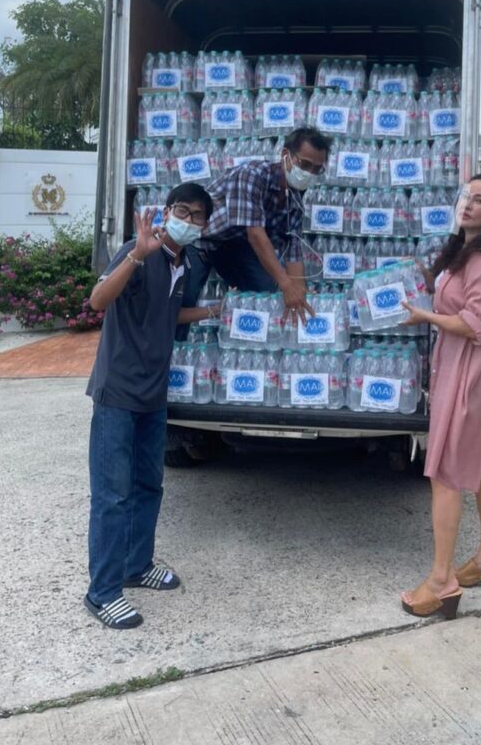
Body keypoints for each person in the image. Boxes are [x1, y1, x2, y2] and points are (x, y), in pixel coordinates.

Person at [84, 182, 216, 629]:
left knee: (148, 486)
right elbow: (98, 300)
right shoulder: (138, 251)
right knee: (112, 495)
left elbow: (167, 312)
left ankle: (136, 566)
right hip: (118, 393)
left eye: (198, 216)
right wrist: (137, 255)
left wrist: (212, 312)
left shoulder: (186, 264)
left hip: (153, 395)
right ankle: (102, 592)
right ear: (167, 211)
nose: (190, 220)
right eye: (184, 211)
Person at [399, 172, 481, 621]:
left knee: (445, 472)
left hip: (469, 370)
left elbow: (475, 324)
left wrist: (426, 317)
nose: (468, 204)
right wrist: (426, 282)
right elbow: (458, 303)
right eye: (467, 196)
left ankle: (440, 581)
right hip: (469, 367)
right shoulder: (466, 250)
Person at [178, 127, 331, 329]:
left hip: (237, 248)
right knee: (184, 301)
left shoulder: (294, 199)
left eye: (316, 169)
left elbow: (293, 249)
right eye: (305, 164)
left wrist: (299, 290)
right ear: (285, 155)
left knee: (265, 294)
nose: (309, 173)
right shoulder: (252, 175)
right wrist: (286, 284)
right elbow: (256, 235)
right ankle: (176, 343)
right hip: (201, 241)